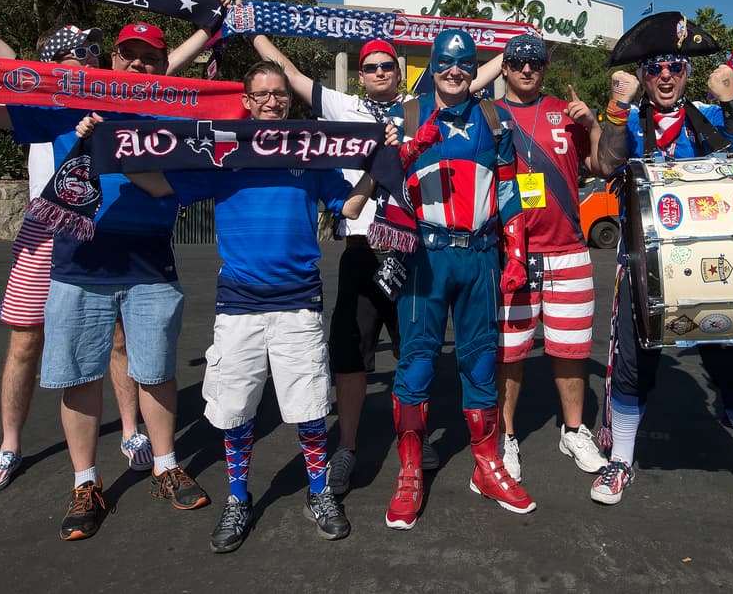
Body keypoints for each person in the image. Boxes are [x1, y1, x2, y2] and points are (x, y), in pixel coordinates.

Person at [0, 19, 223, 541]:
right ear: (112, 60)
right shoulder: (65, 106)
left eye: (150, 57)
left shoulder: (171, 115)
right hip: (78, 267)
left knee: (155, 372)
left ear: (161, 64)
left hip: (149, 266)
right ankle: (85, 482)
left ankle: (166, 464)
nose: (138, 64)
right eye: (129, 55)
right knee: (80, 376)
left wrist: (115, 150)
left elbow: (171, 189)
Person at [112, 60, 352, 552]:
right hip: (239, 303)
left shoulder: (310, 154)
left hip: (299, 302)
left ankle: (320, 492)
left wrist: (378, 166)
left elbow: (345, 207)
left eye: (279, 94)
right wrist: (110, 148)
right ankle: (238, 499)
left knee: (308, 409)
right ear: (246, 101)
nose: (271, 101)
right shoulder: (224, 153)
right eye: (261, 93)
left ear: (290, 99)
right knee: (235, 410)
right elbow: (162, 184)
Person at [252, 34, 500, 495]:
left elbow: (474, 72)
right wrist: (253, 29)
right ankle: (346, 447)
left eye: (389, 65)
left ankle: (416, 441)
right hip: (364, 245)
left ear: (400, 71)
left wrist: (515, 44)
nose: (382, 72)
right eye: (372, 67)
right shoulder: (345, 107)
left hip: (414, 246)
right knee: (351, 353)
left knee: (415, 347)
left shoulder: (419, 106)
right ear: (361, 74)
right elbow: (288, 75)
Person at [592, 12, 733, 523]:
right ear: (645, 74)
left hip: (712, 269)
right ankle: (620, 461)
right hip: (644, 269)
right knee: (634, 370)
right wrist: (617, 103)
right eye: (655, 68)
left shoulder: (709, 117)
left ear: (686, 71)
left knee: (732, 365)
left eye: (675, 66)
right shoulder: (630, 118)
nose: (666, 76)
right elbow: (607, 165)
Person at [383, 27, 535, 529]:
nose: (455, 71)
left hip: (481, 258)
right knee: (417, 360)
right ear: (432, 63)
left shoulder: (495, 116)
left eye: (465, 63)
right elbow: (379, 177)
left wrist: (517, 254)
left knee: (480, 363)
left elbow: (513, 189)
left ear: (475, 67)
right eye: (447, 63)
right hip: (425, 257)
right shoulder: (405, 114)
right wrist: (408, 147)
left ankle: (488, 465)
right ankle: (410, 472)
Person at [492, 33, 609, 481]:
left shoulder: (566, 111)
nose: (527, 69)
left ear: (544, 67)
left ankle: (574, 430)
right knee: (511, 351)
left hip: (569, 250)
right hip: (512, 253)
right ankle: (505, 437)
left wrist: (594, 125)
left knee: (572, 349)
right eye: (518, 62)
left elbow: (601, 166)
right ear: (504, 67)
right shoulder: (488, 115)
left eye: (535, 63)